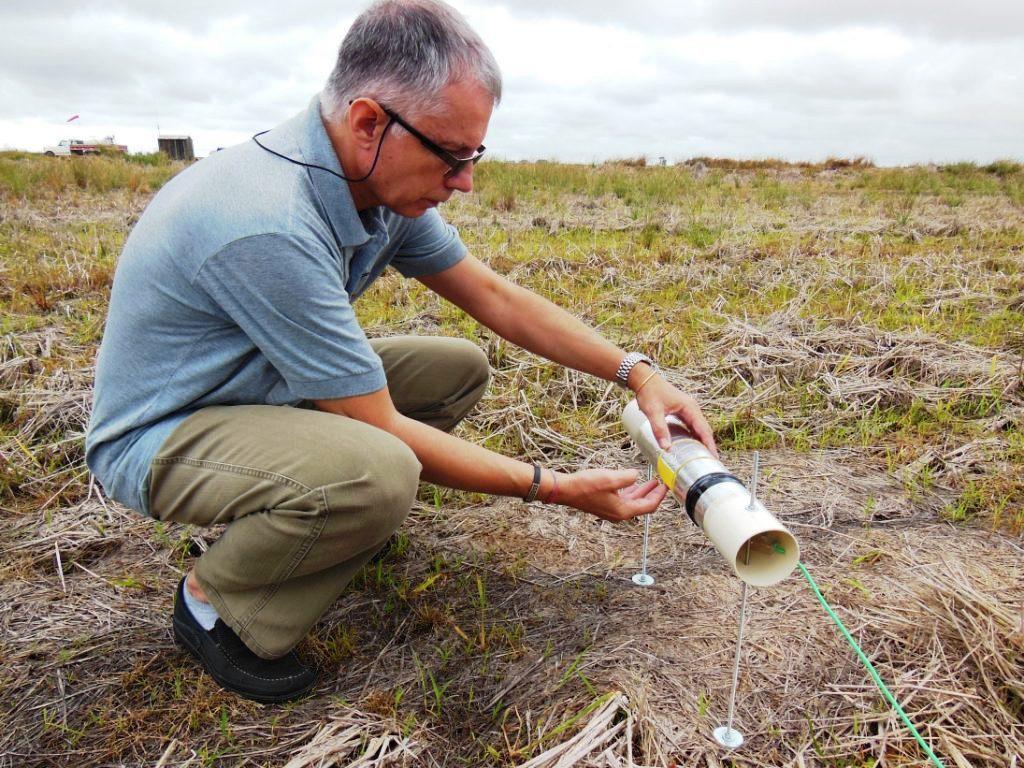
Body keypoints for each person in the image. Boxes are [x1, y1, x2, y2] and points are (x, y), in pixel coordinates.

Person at [85, 0, 717, 703]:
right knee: (380, 470)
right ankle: (217, 605)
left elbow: (495, 298)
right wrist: (553, 487)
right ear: (368, 124)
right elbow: (382, 430)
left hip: (255, 389)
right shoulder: (269, 223)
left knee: (455, 370)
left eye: (474, 156)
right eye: (452, 156)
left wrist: (638, 373)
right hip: (162, 432)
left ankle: (321, 519)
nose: (466, 182)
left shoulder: (375, 190)